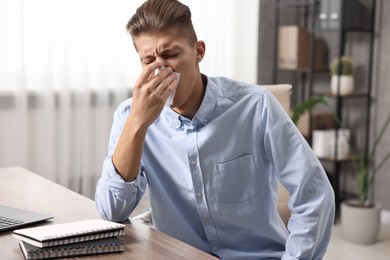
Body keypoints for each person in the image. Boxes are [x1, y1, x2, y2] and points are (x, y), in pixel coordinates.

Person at [95, 0, 335, 259]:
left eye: (171, 55)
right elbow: (112, 212)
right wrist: (137, 124)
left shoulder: (255, 106)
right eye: (149, 60)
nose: (160, 70)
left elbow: (315, 195)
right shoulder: (129, 117)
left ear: (198, 51)